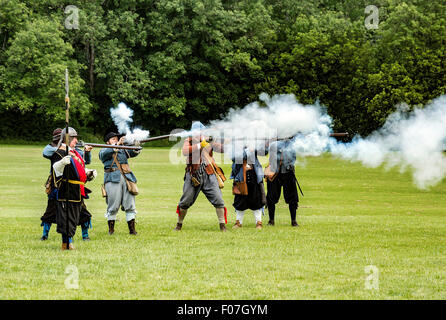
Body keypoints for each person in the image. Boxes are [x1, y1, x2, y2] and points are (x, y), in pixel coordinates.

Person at [40, 128, 94, 241]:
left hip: (75, 188)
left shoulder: (75, 152)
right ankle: (45, 235)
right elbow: (53, 162)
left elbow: (83, 164)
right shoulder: (57, 151)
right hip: (59, 186)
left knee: (82, 212)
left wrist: (87, 170)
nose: (76, 140)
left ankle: (85, 235)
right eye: (74, 138)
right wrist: (64, 152)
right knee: (51, 212)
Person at [175, 121, 228, 232]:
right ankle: (179, 224)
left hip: (209, 173)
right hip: (193, 174)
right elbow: (185, 151)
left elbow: (221, 149)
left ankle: (222, 225)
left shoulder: (209, 139)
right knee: (185, 202)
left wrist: (227, 142)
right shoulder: (189, 140)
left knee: (218, 200)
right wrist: (200, 144)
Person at [99, 132, 141, 235]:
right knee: (113, 205)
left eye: (116, 139)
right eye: (113, 139)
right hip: (112, 178)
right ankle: (111, 230)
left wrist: (136, 145)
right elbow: (103, 155)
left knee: (130, 203)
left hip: (127, 177)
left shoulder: (123, 149)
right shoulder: (104, 150)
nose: (116, 140)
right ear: (107, 142)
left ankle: (132, 230)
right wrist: (116, 145)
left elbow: (133, 152)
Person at [230, 142, 267, 229]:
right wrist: (248, 150)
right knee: (240, 201)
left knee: (257, 200)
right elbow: (235, 158)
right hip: (241, 177)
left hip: (254, 175)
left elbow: (265, 152)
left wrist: (257, 145)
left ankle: (259, 222)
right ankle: (238, 222)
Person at [265, 139, 301, 227]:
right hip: (274, 174)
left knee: (292, 198)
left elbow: (293, 158)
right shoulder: (274, 144)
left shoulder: (291, 144)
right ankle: (271, 220)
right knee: (271, 198)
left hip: (288, 173)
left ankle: (293, 220)